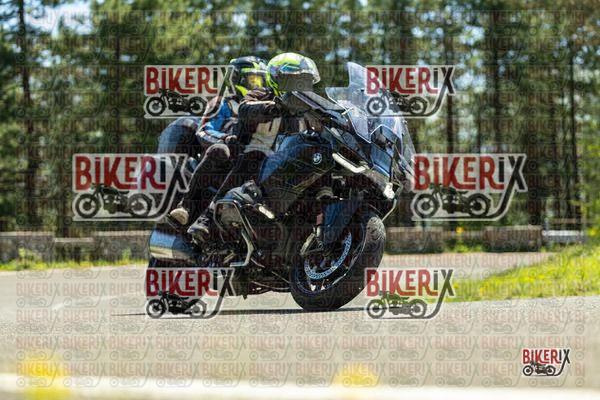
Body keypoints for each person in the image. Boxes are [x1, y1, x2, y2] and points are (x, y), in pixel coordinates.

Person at [186, 52, 321, 242]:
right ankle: (207, 217)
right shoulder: (258, 96)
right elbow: (245, 109)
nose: (299, 86)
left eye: (304, 81)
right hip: (245, 158)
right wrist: (274, 107)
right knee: (255, 156)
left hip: (279, 165)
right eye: (294, 81)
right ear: (277, 79)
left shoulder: (306, 110)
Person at [168, 56, 267, 226]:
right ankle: (186, 206)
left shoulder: (268, 108)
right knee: (219, 151)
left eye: (261, 81)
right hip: (222, 162)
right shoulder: (222, 104)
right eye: (253, 80)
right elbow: (204, 131)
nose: (258, 86)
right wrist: (226, 139)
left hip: (252, 163)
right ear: (237, 79)